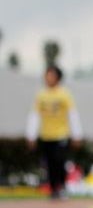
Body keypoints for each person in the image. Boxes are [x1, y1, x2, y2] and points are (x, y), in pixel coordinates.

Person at [26, 65, 83, 200]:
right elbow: (35, 116)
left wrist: (77, 135)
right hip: (46, 135)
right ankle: (53, 190)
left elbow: (72, 115)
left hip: (61, 135)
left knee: (59, 161)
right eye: (46, 75)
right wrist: (31, 135)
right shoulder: (41, 95)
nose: (48, 78)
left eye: (51, 75)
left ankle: (62, 187)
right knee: (49, 164)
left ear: (57, 78)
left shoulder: (64, 94)